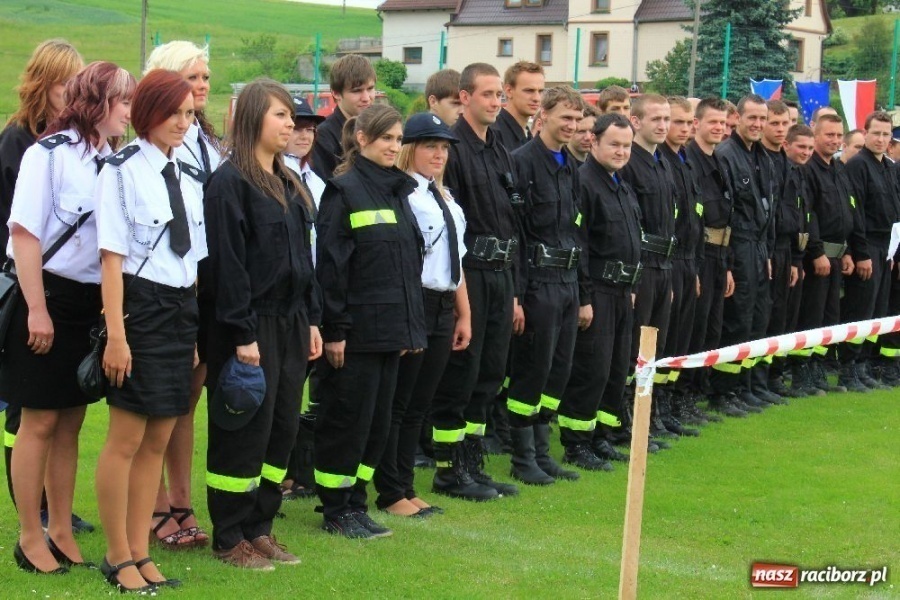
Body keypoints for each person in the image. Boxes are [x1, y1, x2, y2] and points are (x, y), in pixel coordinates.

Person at [2, 60, 133, 576]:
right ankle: (29, 534)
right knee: (37, 421)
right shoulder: (48, 156)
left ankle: (60, 527)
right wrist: (37, 309)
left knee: (72, 421)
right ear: (96, 102)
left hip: (87, 305)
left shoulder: (113, 160)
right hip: (46, 298)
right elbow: (24, 235)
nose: (128, 110)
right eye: (121, 100)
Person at [94, 68, 205, 591]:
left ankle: (141, 550)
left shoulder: (187, 172)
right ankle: (117, 556)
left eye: (189, 113)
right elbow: (111, 261)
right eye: (174, 112)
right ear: (148, 113)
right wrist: (116, 336)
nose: (184, 122)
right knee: (126, 437)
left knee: (160, 434)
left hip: (181, 308)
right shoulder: (119, 170)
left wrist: (195, 328)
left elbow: (194, 260)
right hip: (139, 309)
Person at [204, 79, 322, 567]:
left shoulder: (290, 183)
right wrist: (242, 334)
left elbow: (305, 261)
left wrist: (313, 320)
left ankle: (261, 527)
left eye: (291, 117)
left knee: (281, 429)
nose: (290, 124)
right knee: (242, 431)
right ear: (253, 118)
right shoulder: (230, 182)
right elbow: (226, 267)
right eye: (280, 115)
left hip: (292, 322)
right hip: (251, 326)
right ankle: (230, 536)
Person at [314, 104, 425, 537]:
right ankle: (336, 509)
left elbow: (404, 267)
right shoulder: (344, 190)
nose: (394, 147)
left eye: (398, 140)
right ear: (362, 139)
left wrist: (407, 328)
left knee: (377, 425)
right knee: (347, 422)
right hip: (356, 333)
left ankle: (357, 502)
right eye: (386, 139)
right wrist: (335, 331)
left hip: (389, 331)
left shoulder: (397, 191)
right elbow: (333, 268)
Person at [0, 40, 86, 531]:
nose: (68, 95)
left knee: (58, 412)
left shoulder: (69, 143)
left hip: (63, 293)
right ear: (41, 84)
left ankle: (55, 510)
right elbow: (18, 230)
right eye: (61, 85)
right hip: (23, 287)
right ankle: (30, 511)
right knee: (28, 412)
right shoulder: (18, 144)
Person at [429, 63, 520, 501]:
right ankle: (449, 470)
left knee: (489, 374)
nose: (496, 102)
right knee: (462, 374)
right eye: (487, 94)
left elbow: (512, 220)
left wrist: (515, 290)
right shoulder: (454, 149)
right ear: (464, 97)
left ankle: (472, 462)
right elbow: (452, 227)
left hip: (503, 275)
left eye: (500, 94)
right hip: (472, 274)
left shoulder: (499, 145)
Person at [143, 38, 222, 550]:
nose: (201, 88)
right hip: (165, 285)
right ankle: (152, 507)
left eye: (205, 79)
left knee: (189, 400)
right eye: (191, 78)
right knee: (161, 403)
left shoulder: (204, 137)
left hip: (206, 277)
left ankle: (181, 500)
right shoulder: (154, 144)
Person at [373, 112, 470, 516]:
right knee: (399, 402)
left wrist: (465, 315)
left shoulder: (443, 197)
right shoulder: (403, 196)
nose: (439, 154)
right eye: (430, 145)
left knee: (419, 404)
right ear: (409, 149)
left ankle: (406, 485)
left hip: (444, 305)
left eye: (444, 147)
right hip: (414, 303)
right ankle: (391, 490)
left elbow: (457, 262)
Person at [505, 86, 584, 484]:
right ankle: (522, 459)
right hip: (538, 281)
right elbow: (517, 234)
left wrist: (582, 294)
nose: (570, 126)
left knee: (558, 371)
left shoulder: (570, 166)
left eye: (576, 119)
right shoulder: (521, 163)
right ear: (544, 118)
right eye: (563, 118)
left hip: (568, 281)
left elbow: (577, 231)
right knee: (532, 371)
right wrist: (517, 296)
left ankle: (541, 452)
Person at [560, 112, 640, 468]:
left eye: (626, 146)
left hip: (623, 290)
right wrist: (586, 298)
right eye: (614, 144)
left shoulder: (620, 184)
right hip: (598, 291)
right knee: (591, 369)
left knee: (616, 368)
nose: (621, 152)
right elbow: (580, 246)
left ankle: (602, 436)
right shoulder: (585, 183)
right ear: (594, 141)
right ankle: (577, 443)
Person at [709, 95, 777, 411]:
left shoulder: (761, 155)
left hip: (759, 247)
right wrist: (731, 264)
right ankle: (725, 392)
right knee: (737, 322)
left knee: (757, 320)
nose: (758, 125)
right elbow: (729, 213)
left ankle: (746, 385)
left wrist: (766, 255)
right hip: (738, 247)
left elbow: (767, 209)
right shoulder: (727, 155)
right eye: (753, 118)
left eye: (762, 119)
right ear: (737, 117)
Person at [619, 94, 676, 448]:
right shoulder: (629, 163)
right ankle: (626, 422)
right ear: (636, 121)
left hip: (665, 264)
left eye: (666, 119)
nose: (663, 126)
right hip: (643, 266)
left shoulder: (663, 163)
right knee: (633, 351)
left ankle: (647, 416)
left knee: (656, 349)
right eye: (655, 119)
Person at [798, 113, 865, 393]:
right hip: (819, 257)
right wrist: (816, 252)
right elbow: (809, 215)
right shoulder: (808, 169)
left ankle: (819, 368)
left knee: (830, 318)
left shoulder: (837, 169)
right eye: (829, 135)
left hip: (838, 256)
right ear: (815, 135)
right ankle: (802, 372)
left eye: (839, 135)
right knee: (811, 317)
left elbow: (848, 211)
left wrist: (848, 251)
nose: (835, 140)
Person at [280, 93, 326, 502]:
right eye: (297, 126)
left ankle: (297, 471)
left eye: (311, 129)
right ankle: (278, 477)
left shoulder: (318, 183)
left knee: (300, 389)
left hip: (312, 296)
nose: (304, 135)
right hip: (281, 300)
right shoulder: (271, 177)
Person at [683, 98, 735, 417]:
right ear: (697, 124)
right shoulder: (689, 162)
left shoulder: (720, 160)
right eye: (713, 122)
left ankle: (698, 391)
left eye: (723, 123)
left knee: (712, 330)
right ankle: (683, 396)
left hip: (719, 256)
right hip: (699, 255)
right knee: (694, 329)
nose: (719, 128)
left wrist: (727, 267)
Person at [841, 112, 900, 387]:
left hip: (886, 247)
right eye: (876, 133)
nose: (880, 139)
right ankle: (848, 367)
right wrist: (862, 254)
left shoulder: (888, 167)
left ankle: (864, 364)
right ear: (865, 133)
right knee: (860, 309)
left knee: (878, 310)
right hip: (868, 247)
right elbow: (857, 214)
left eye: (886, 134)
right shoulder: (857, 166)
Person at [657, 96, 705, 433]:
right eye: (678, 122)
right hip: (667, 263)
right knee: (664, 339)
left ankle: (669, 403)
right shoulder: (661, 161)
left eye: (688, 123)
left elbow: (693, 220)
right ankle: (653, 408)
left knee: (681, 341)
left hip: (689, 261)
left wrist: (696, 268)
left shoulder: (684, 161)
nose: (683, 129)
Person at [754, 100, 794, 404]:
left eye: (785, 125)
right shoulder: (760, 158)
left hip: (784, 248)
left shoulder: (785, 160)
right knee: (760, 317)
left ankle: (767, 378)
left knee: (778, 317)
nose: (781, 130)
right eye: (775, 124)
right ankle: (752, 382)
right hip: (763, 247)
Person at [781, 124, 822, 396]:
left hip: (795, 254)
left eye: (810, 148)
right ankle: (769, 378)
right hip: (778, 252)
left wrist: (798, 258)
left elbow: (805, 218)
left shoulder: (802, 174)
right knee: (777, 320)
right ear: (787, 145)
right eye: (801, 147)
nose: (806, 152)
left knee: (788, 319)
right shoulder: (784, 172)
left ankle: (773, 377)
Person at [311, 54, 376, 180]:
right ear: (336, 93)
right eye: (357, 91)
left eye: (370, 89)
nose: (366, 98)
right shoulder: (323, 137)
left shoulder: (378, 130)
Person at [492, 61, 544, 151]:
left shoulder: (528, 135)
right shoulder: (493, 135)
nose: (537, 98)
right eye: (529, 90)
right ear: (508, 91)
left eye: (540, 91)